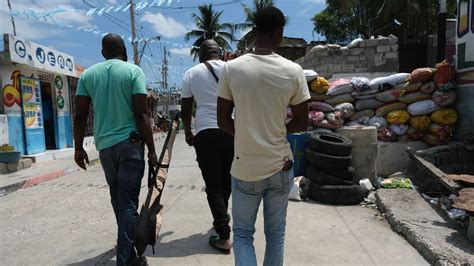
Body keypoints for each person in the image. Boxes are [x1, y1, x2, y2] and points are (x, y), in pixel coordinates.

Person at [216, 6, 310, 266]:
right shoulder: (293, 71)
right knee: (276, 234)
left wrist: (246, 134)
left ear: (254, 32)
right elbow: (302, 121)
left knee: (244, 235)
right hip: (280, 164)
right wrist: (277, 132)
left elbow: (222, 119)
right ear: (281, 33)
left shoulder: (231, 69)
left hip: (245, 165)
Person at [74, 33, 157, 266]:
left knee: (118, 200)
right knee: (128, 202)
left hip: (105, 148)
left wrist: (78, 148)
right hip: (131, 146)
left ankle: (127, 250)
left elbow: (80, 114)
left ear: (103, 53)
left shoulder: (88, 75)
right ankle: (126, 261)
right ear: (125, 52)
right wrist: (151, 149)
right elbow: (141, 113)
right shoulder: (133, 71)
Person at [181, 40, 233, 253]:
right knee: (226, 180)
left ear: (200, 55)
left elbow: (186, 108)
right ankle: (221, 217)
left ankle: (223, 234)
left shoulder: (191, 73)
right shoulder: (232, 69)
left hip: (205, 133)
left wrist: (188, 132)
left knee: (213, 184)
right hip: (231, 130)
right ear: (219, 53)